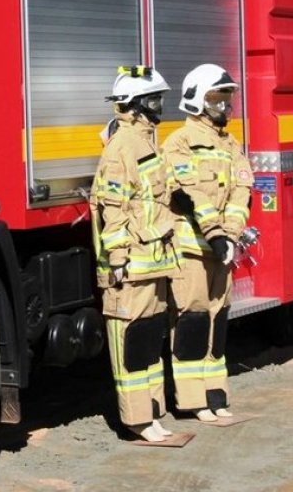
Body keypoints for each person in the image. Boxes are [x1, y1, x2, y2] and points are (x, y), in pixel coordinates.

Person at [90, 65, 182, 442]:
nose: (160, 105)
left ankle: (152, 413)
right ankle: (137, 420)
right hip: (130, 267)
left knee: (146, 342)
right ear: (135, 105)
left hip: (153, 262)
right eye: (154, 99)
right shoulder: (122, 148)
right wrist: (118, 260)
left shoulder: (147, 143)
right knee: (129, 347)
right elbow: (112, 206)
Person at [162, 63, 253, 422]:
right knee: (193, 321)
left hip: (221, 250)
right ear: (198, 100)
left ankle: (216, 395)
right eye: (217, 98)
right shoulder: (179, 143)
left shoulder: (231, 144)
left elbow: (240, 193)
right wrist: (215, 235)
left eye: (227, 98)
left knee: (219, 320)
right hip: (191, 250)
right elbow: (191, 193)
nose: (225, 107)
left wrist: (229, 236)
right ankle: (193, 401)